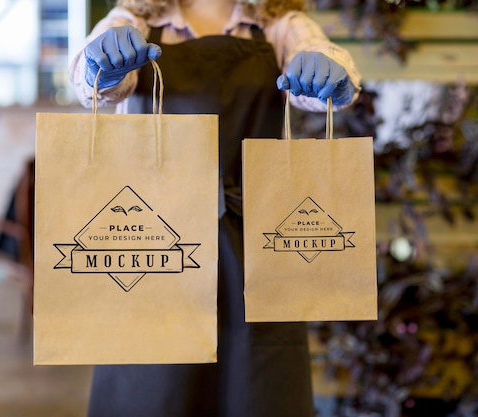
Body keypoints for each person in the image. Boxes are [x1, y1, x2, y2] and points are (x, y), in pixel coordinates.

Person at [69, 0, 361, 416]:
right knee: (150, 389)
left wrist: (331, 76)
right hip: (154, 242)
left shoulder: (280, 27)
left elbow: (320, 56)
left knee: (257, 390)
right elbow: (90, 80)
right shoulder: (136, 21)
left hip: (256, 243)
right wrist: (104, 65)